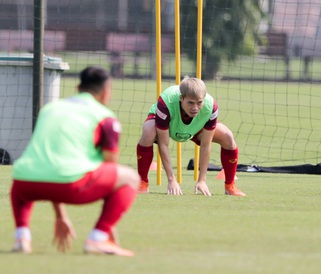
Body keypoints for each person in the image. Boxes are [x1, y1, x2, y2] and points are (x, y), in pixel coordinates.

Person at [10, 66, 139, 256]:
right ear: (106, 91)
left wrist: (60, 215)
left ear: (78, 88)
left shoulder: (49, 109)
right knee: (130, 178)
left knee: (25, 180)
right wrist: (109, 215)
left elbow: (49, 163)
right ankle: (98, 238)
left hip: (24, 182)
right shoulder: (106, 118)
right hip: (71, 185)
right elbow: (109, 166)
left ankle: (22, 237)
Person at [136, 76, 245, 196]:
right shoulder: (165, 103)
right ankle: (142, 183)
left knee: (228, 136)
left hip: (196, 127)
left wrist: (202, 180)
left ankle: (230, 186)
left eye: (199, 103)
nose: (195, 108)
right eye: (191, 103)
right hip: (170, 124)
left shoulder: (211, 106)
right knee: (148, 131)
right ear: (181, 98)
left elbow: (205, 144)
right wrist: (171, 179)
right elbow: (163, 144)